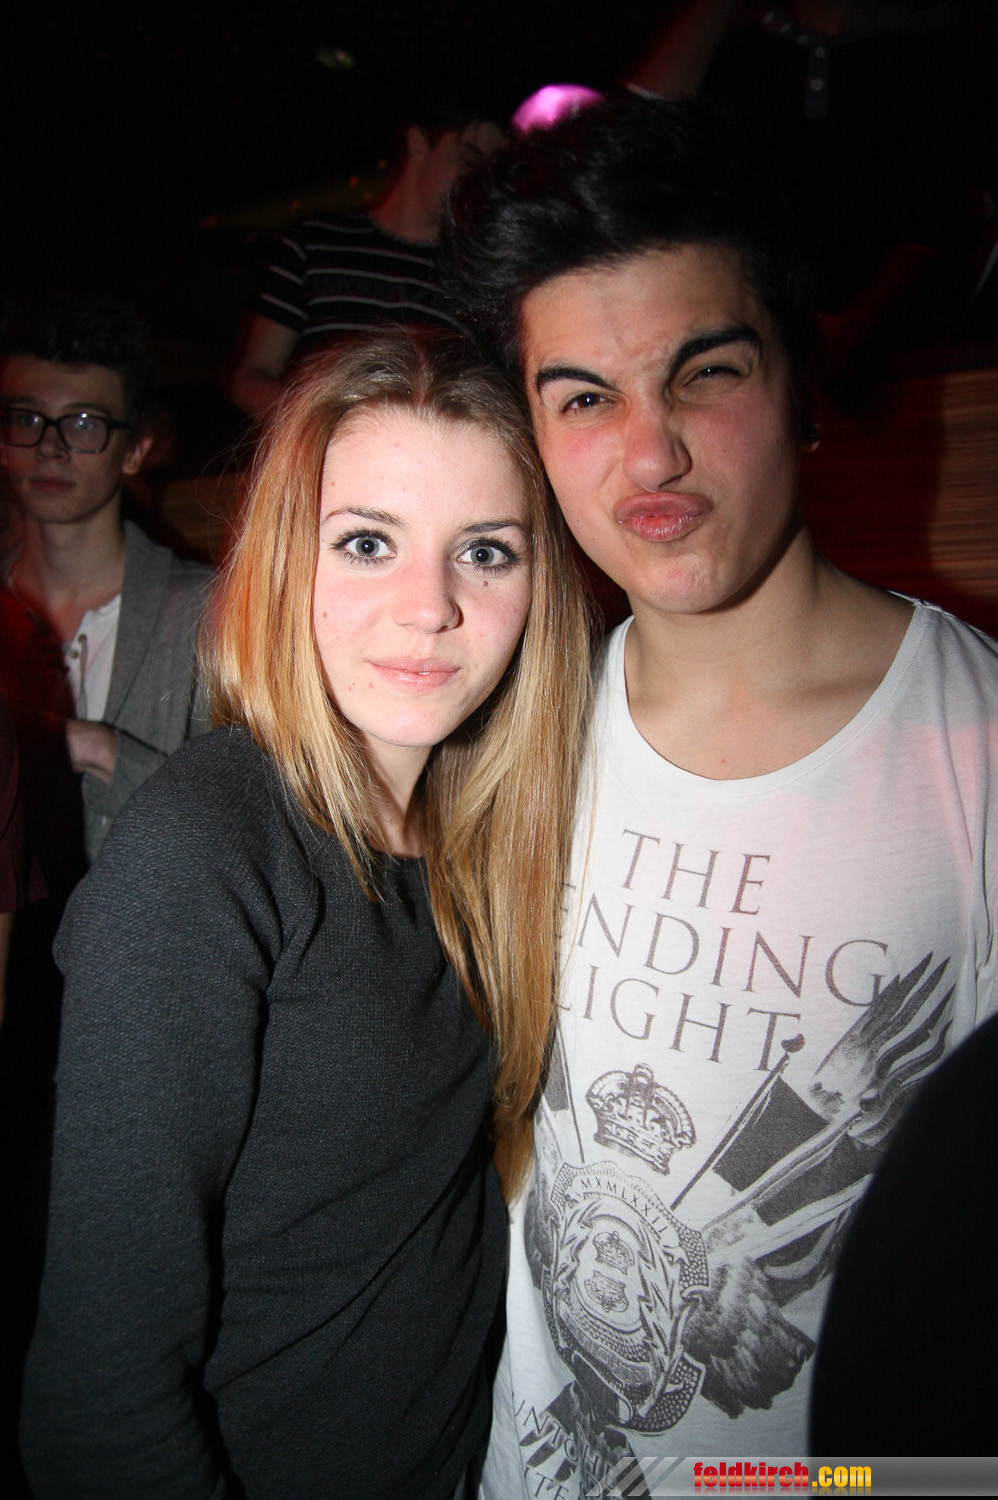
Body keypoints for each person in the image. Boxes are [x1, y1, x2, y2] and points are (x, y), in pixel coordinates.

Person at [442, 93, 998, 1488]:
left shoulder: (976, 751)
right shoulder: (509, 738)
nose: (648, 455)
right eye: (583, 397)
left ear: (801, 381)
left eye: (704, 373)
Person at [20, 328, 591, 1499]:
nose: (428, 608)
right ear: (288, 561)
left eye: (484, 551)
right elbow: (98, 1402)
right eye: (367, 542)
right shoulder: (204, 855)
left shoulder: (489, 838)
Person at [0, 299, 212, 877]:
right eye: (26, 420)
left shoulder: (208, 617)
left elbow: (246, 836)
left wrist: (100, 750)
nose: (50, 447)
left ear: (135, 449)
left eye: (83, 424)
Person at [230, 103, 505, 422]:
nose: (479, 181)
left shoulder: (476, 278)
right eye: (469, 157)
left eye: (490, 171)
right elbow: (252, 376)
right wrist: (318, 427)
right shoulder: (314, 241)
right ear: (419, 142)